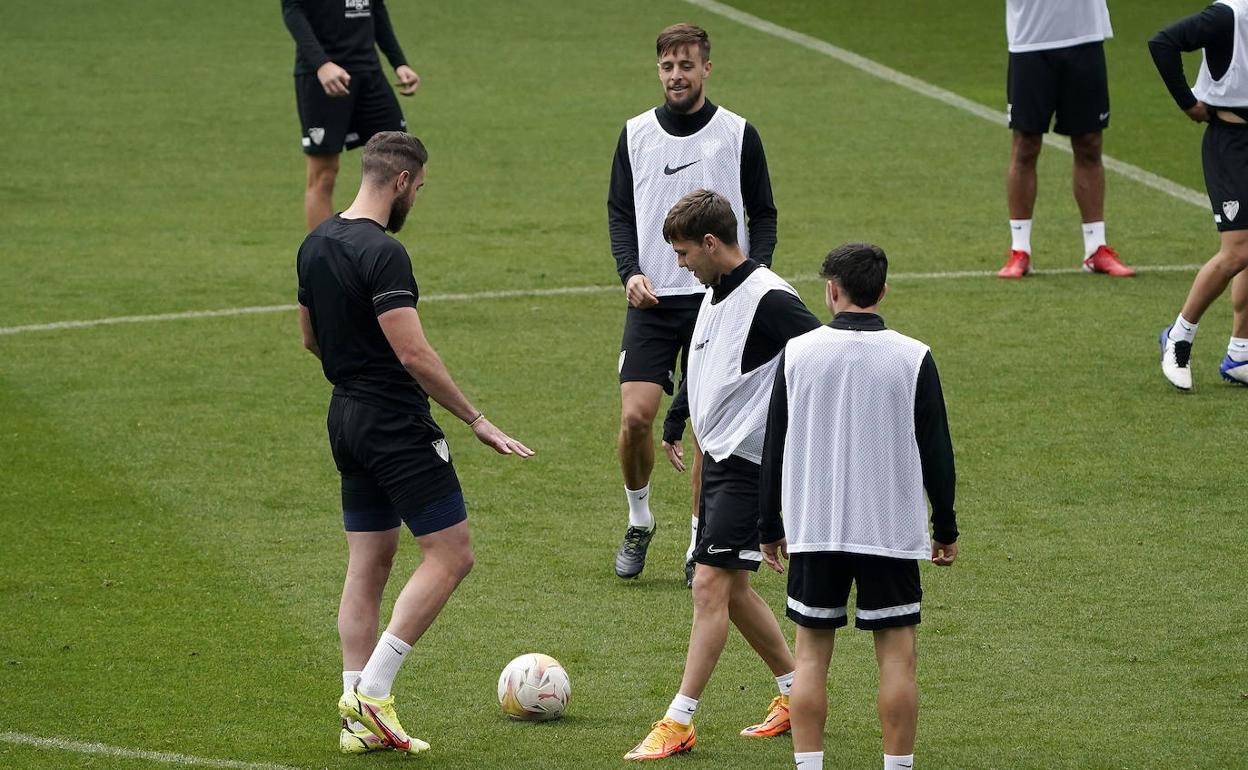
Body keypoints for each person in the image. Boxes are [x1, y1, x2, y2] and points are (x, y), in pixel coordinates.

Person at [295, 132, 534, 755]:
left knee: (368, 564)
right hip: (395, 423)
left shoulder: (315, 242)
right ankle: (372, 694)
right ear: (401, 181)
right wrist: (475, 418)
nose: (416, 200)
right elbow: (412, 351)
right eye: (420, 189)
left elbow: (310, 339)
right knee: (452, 554)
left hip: (344, 416)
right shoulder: (384, 253)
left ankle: (355, 719)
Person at [623, 190, 818, 761]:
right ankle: (795, 691)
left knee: (708, 585)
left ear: (712, 243)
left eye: (684, 252)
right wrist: (677, 418)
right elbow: (707, 365)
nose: (680, 264)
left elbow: (824, 354)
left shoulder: (769, 298)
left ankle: (679, 720)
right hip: (720, 460)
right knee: (731, 590)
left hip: (751, 464)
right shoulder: (714, 292)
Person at [758, 242, 959, 770]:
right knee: (897, 659)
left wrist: (769, 523)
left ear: (832, 290)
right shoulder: (913, 355)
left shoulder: (797, 353)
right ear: (883, 291)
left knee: (809, 660)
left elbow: (774, 443)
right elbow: (937, 449)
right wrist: (945, 526)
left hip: (816, 527)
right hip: (890, 532)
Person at [608, 23, 777, 584]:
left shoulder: (737, 134)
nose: (676, 75)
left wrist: (755, 276)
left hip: (722, 300)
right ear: (658, 70)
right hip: (653, 301)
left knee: (710, 428)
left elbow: (764, 214)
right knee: (635, 418)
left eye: (687, 65)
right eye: (667, 67)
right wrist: (629, 271)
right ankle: (639, 520)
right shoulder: (635, 134)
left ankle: (696, 539)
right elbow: (620, 213)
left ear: (707, 68)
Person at [998, 0, 1136, 278]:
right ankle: (1020, 249)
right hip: (1030, 41)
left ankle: (1096, 248)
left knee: (1089, 144)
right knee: (1025, 145)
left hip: (1084, 36)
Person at [1150, 2, 1248, 390]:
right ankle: (1179, 336)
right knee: (1238, 250)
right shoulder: (1228, 16)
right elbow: (1163, 42)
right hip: (1232, 143)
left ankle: (1241, 352)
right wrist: (1188, 102)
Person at [282, 0, 421, 231]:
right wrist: (321, 64)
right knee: (324, 175)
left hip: (369, 73)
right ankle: (326, 261)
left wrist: (399, 62)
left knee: (398, 162)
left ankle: (374, 253)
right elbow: (292, 10)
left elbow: (377, 9)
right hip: (323, 78)